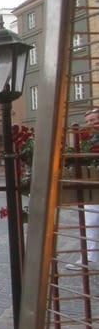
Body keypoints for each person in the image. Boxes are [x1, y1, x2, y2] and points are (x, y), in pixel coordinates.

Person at [66, 108, 99, 270]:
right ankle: (89, 257)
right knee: (91, 221)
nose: (91, 123)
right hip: (92, 185)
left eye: (94, 120)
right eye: (89, 121)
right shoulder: (89, 141)